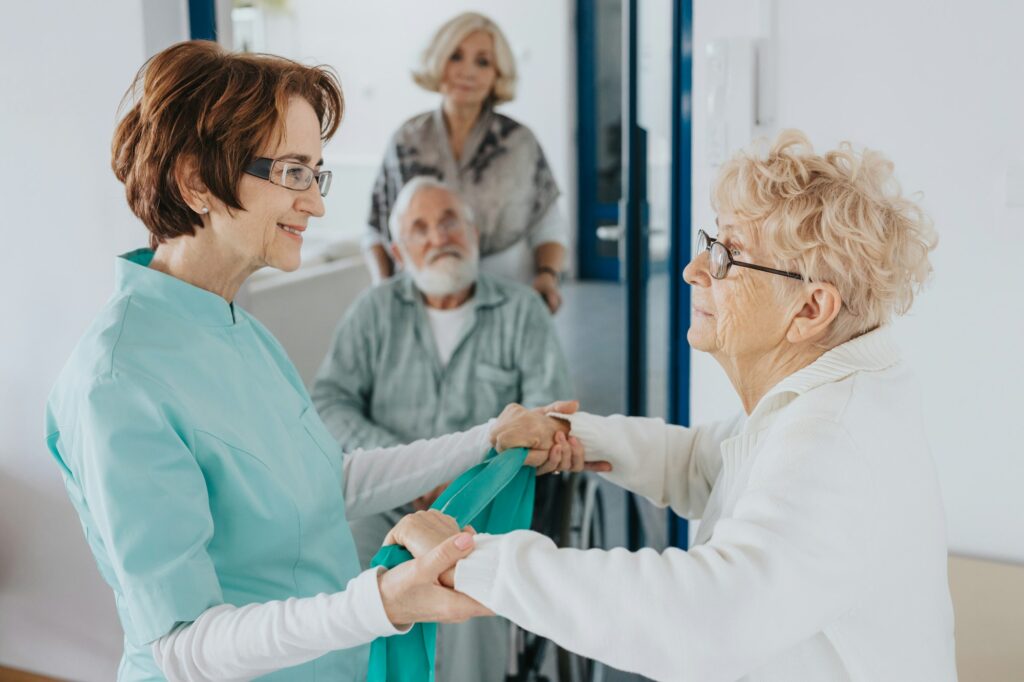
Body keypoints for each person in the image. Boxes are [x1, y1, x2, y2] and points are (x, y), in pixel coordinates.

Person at [43, 41, 574, 682]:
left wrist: (486, 438)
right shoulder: (118, 382)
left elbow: (330, 480)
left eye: (315, 174)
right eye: (293, 172)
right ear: (194, 182)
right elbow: (182, 645)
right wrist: (377, 605)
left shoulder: (236, 326)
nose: (316, 203)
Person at [392, 131, 958, 681]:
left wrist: (468, 560)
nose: (693, 270)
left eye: (729, 257)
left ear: (810, 309)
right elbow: (706, 464)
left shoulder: (834, 439)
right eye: (711, 243)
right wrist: (570, 433)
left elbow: (707, 621)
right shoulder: (822, 395)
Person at [312, 176, 572, 681]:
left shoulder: (522, 311)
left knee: (469, 590)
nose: (439, 237)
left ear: (473, 231)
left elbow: (547, 416)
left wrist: (464, 482)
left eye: (451, 221)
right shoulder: (374, 311)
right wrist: (407, 472)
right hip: (386, 501)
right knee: (345, 576)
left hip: (482, 507)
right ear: (398, 250)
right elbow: (330, 400)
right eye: (420, 228)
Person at [363, 12, 568, 312]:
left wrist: (548, 277)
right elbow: (375, 227)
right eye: (455, 56)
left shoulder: (519, 142)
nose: (467, 71)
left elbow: (548, 224)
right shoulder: (406, 140)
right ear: (437, 60)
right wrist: (383, 289)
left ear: (498, 73)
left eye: (483, 61)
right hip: (422, 302)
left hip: (507, 297)